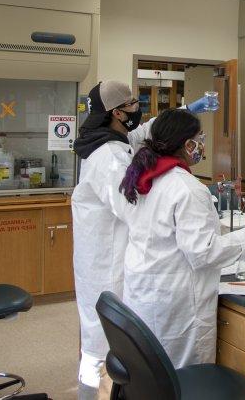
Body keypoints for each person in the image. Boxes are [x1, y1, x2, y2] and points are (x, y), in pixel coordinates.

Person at [70, 82, 216, 397]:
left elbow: (146, 133)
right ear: (117, 112)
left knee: (119, 343)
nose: (138, 108)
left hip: (108, 254)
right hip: (106, 262)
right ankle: (91, 394)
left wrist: (188, 110)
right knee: (104, 345)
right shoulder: (108, 156)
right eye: (133, 103)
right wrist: (175, 194)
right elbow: (131, 205)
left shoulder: (110, 137)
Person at [118, 109, 245, 368]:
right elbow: (202, 252)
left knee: (151, 376)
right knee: (183, 380)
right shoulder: (187, 188)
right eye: (200, 138)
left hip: (145, 291)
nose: (202, 145)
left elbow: (166, 232)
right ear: (188, 144)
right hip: (176, 302)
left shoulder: (146, 179)